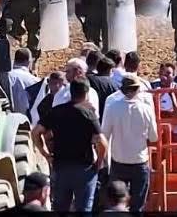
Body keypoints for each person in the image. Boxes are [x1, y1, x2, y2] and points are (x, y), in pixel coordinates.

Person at [32, 78, 108, 212]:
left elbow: (36, 132)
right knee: (84, 209)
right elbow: (102, 142)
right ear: (86, 93)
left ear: (71, 92)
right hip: (84, 168)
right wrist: (99, 163)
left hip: (61, 167)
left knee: (60, 209)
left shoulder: (56, 111)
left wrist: (45, 154)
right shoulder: (88, 114)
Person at [102, 75, 158, 213]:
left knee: (116, 204)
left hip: (118, 161)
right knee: (137, 207)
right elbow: (153, 137)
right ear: (138, 89)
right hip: (140, 161)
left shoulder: (112, 108)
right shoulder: (146, 109)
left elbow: (105, 135)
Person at [154, 62, 177, 142]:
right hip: (159, 128)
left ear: (174, 76)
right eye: (161, 73)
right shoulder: (154, 89)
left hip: (176, 128)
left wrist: (171, 94)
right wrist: (156, 98)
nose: (164, 76)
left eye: (168, 73)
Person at [8, 48, 39, 115]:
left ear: (14, 60)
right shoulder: (35, 81)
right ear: (29, 61)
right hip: (26, 119)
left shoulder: (6, 76)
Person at [88, 56, 118, 121]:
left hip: (90, 116)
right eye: (111, 70)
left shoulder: (88, 79)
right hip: (105, 117)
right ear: (108, 70)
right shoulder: (112, 84)